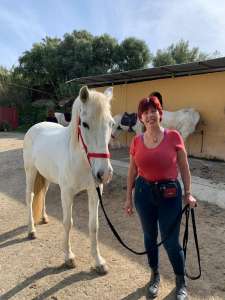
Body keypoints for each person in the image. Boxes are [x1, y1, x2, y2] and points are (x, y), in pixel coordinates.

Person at [124, 96, 197, 300]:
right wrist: (128, 197)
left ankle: (181, 281)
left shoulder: (174, 136)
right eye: (145, 112)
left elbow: (184, 167)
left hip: (169, 194)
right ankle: (154, 276)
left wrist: (188, 193)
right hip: (143, 193)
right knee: (149, 237)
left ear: (160, 113)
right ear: (140, 118)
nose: (150, 115)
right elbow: (132, 170)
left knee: (171, 241)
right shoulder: (136, 141)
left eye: (153, 111)